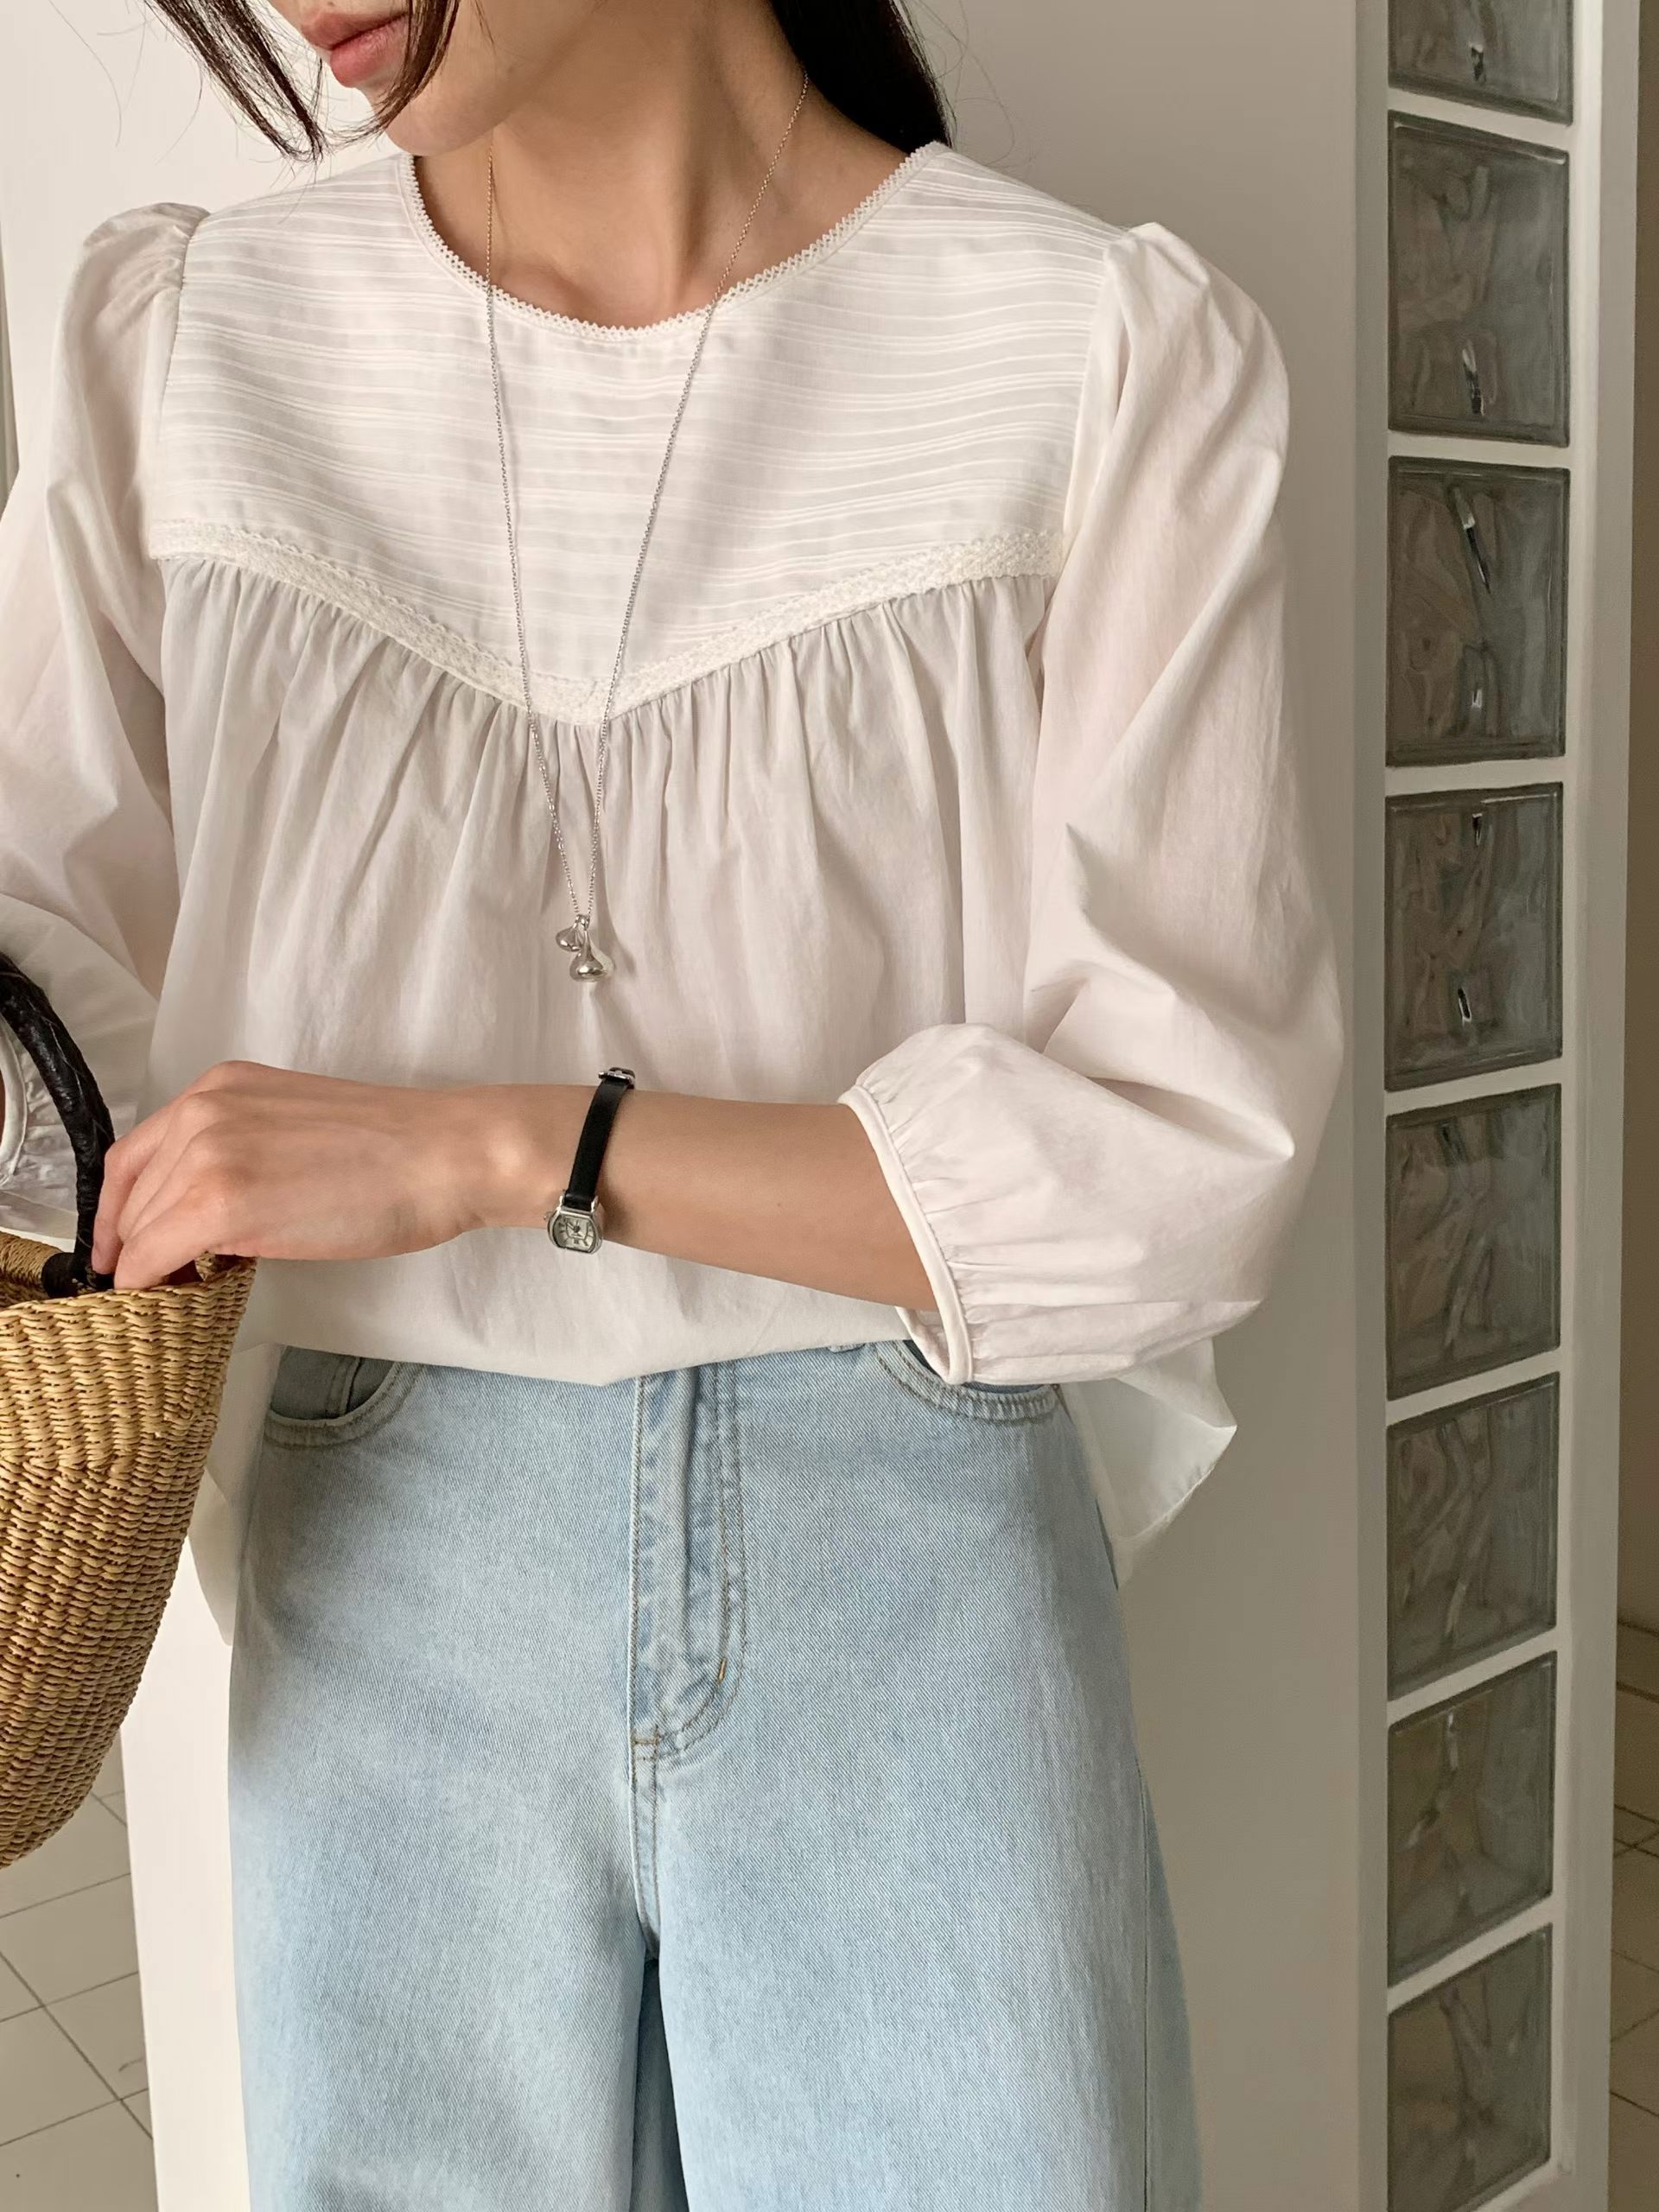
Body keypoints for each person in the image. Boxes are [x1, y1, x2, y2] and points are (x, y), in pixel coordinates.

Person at [0, 0, 1344, 2202]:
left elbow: (1183, 1148)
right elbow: (31, 1002)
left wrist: (501, 1141)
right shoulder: (187, 342)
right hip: (380, 1550)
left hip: (906, 1550)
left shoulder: (1091, 354)